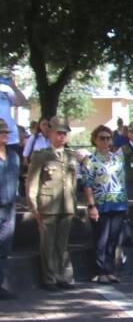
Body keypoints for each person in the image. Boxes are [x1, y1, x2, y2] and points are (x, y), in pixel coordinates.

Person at [25, 118, 78, 291]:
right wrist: (33, 206)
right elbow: (32, 183)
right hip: (47, 206)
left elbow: (73, 182)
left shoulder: (70, 156)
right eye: (58, 132)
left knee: (62, 244)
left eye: (64, 133)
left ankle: (65, 276)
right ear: (50, 133)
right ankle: (50, 279)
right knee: (47, 244)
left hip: (66, 205)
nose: (62, 136)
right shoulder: (41, 155)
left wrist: (74, 204)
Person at [81, 125, 129, 283]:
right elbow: (87, 184)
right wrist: (91, 205)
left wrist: (125, 202)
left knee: (113, 239)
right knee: (101, 238)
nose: (106, 141)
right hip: (101, 204)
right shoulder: (90, 160)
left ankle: (109, 270)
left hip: (118, 204)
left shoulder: (118, 159)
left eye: (108, 138)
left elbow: (123, 182)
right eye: (102, 138)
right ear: (95, 139)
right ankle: (100, 270)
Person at [0, 119, 20, 299]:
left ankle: (2, 284)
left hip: (9, 207)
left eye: (6, 132)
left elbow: (17, 178)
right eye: (1, 132)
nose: (5, 135)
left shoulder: (13, 155)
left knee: (4, 247)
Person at [0, 74, 27, 151]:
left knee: (13, 163)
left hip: (11, 138)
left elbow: (21, 102)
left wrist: (14, 87)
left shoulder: (5, 93)